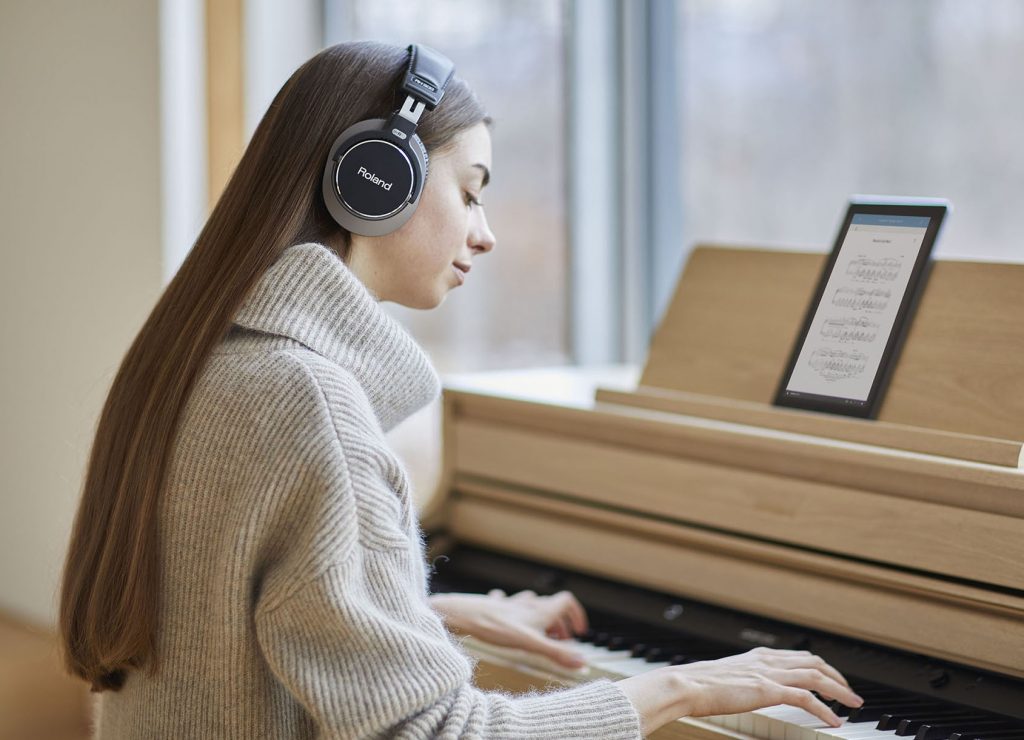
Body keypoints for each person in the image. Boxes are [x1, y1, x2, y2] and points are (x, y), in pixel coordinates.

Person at [58, 40, 863, 738]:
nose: (486, 231)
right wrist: (681, 686)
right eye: (471, 189)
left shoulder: (206, 362)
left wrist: (422, 614)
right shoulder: (311, 405)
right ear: (378, 178)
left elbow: (220, 629)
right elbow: (441, 733)